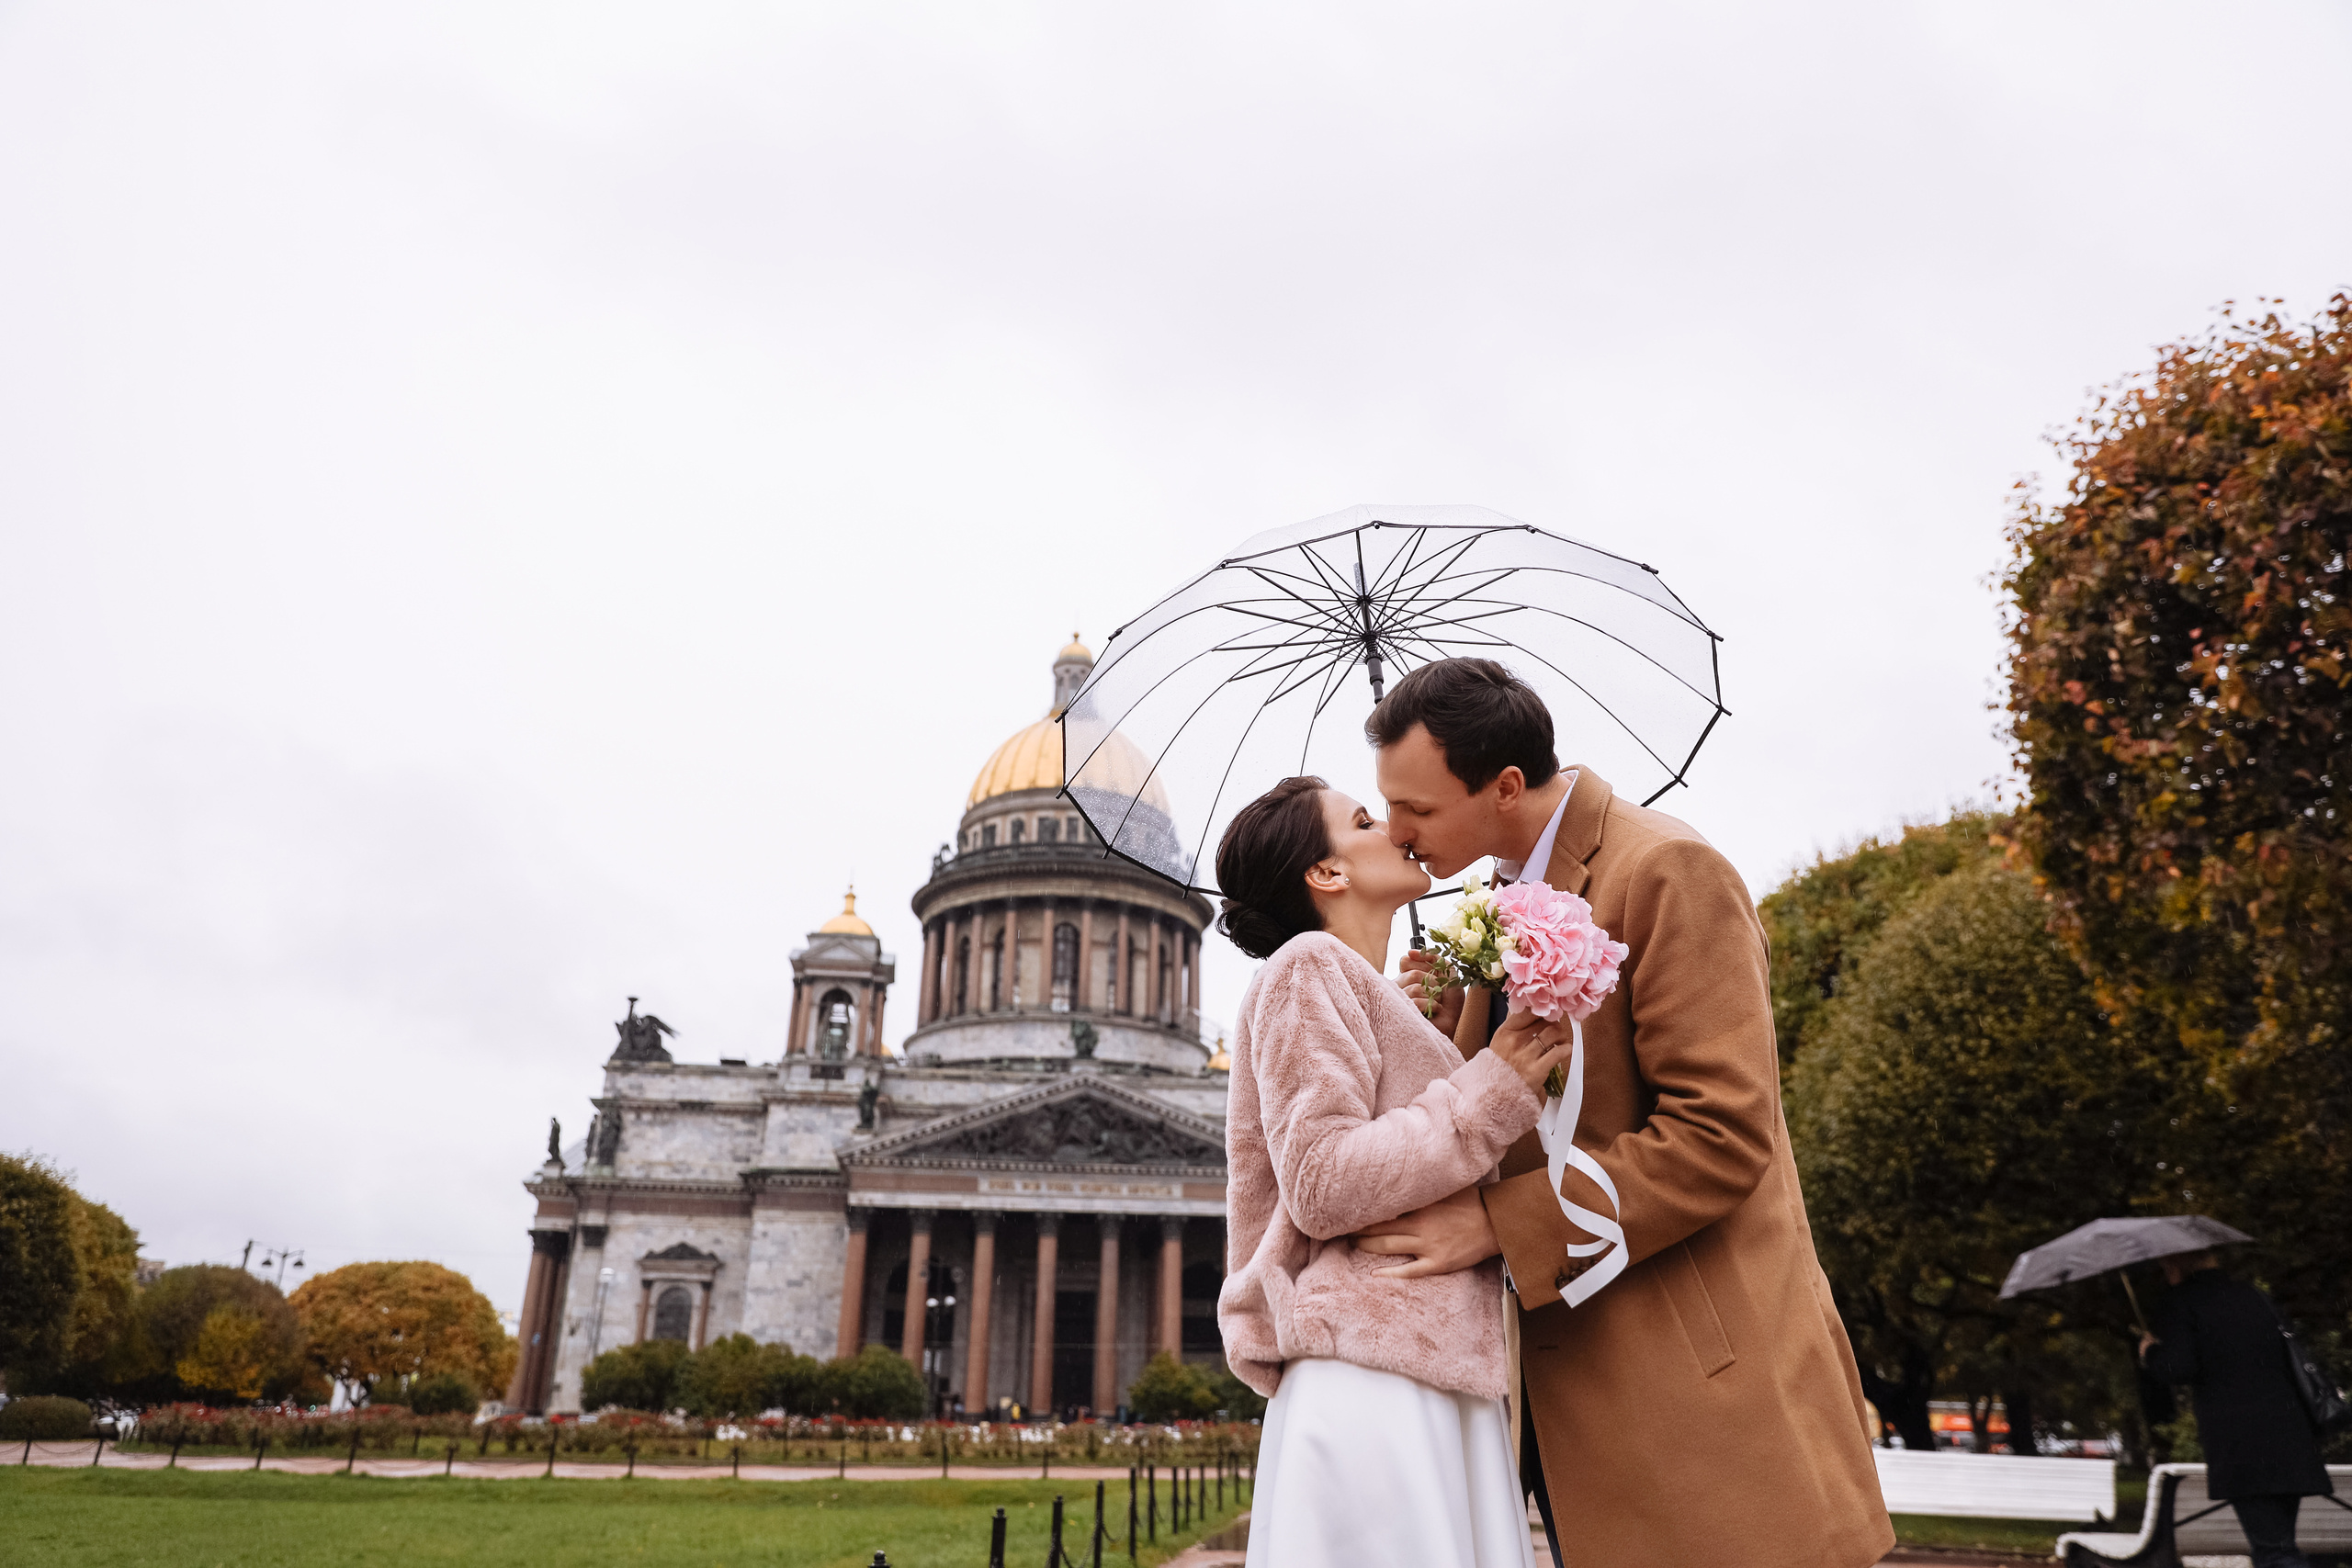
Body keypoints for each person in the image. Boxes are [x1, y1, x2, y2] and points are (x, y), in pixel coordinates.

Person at [1354, 657, 1892, 1568]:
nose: (1398, 834)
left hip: (1694, 1398)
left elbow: (1718, 1138)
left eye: (1417, 810)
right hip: (1573, 1406)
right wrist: (1449, 1029)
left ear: (1507, 786)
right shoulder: (1496, 899)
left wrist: (1496, 1225)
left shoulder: (1667, 869)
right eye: (1386, 807)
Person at [1215, 774, 1579, 1568]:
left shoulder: (1350, 984)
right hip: (1375, 1377)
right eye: (1364, 819)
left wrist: (1425, 1032)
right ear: (1328, 873)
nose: (1394, 827)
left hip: (1415, 1364)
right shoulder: (1305, 965)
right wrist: (1492, 1089)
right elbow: (1321, 1180)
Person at [2141, 1250, 2333, 1568]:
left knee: (2276, 1551)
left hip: (2243, 1441)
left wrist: (2151, 1352)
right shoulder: (2255, 1296)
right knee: (2276, 1543)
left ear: (2175, 1264)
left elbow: (2179, 1368)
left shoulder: (2181, 1302)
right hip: (2290, 1432)